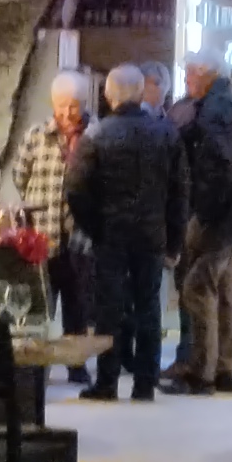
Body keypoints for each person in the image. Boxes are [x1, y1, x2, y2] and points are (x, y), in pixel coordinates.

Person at [65, 64, 188, 400]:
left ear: (108, 95)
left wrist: (94, 226)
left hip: (110, 234)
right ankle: (145, 383)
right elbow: (180, 192)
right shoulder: (166, 134)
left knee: (110, 308)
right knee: (149, 306)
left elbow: (75, 188)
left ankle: (107, 381)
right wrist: (174, 240)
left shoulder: (97, 134)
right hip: (151, 233)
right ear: (141, 92)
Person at [162, 60, 232, 394]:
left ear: (205, 74)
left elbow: (222, 166)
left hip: (221, 216)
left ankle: (201, 372)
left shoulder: (215, 109)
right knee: (224, 291)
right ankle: (225, 369)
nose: (186, 80)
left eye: (190, 74)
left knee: (198, 287)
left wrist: (204, 212)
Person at [15, 81, 93, 330]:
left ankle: (76, 356)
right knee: (39, 312)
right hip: (43, 239)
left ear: (85, 104)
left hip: (81, 241)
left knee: (78, 313)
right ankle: (38, 356)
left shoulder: (95, 136)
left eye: (74, 106)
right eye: (61, 106)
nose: (67, 113)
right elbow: (20, 176)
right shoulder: (36, 135)